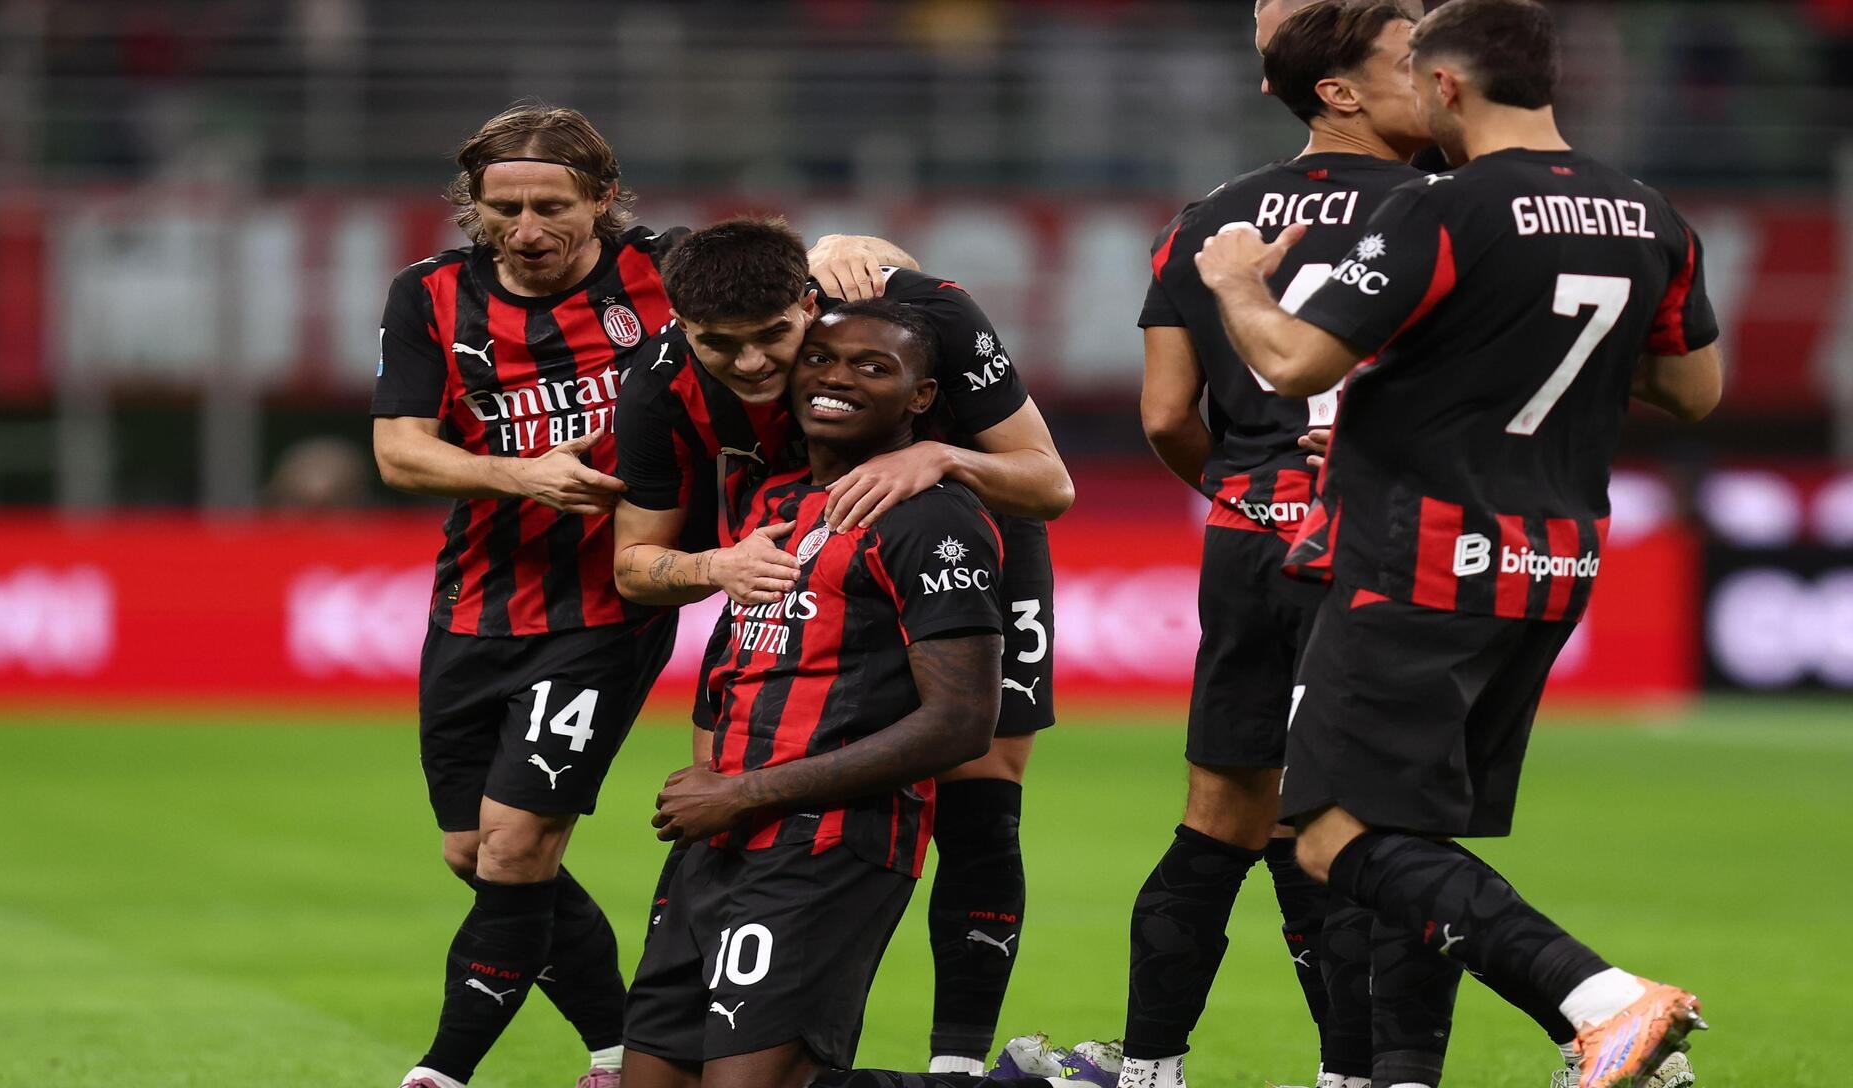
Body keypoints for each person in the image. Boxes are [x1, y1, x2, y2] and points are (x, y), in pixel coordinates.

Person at [1192, 3, 1722, 1087]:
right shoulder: (1649, 214)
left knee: (1333, 833)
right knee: (1414, 834)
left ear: (1444, 89)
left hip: (1417, 560)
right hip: (1552, 565)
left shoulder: (1446, 209)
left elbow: (1291, 362)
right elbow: (1693, 389)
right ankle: (1439, 1064)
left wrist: (1238, 279)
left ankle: (1602, 1000)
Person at [369, 103, 906, 1088]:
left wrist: (852, 241)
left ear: (604, 199)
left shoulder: (662, 274)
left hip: (610, 603)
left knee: (520, 843)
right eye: (503, 210)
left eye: (551, 206)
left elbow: (772, 279)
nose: (526, 230)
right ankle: (626, 1047)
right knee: (473, 851)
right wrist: (521, 473)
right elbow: (398, 448)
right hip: (477, 597)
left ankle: (443, 1069)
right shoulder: (429, 295)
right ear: (473, 209)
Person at [612, 216, 1074, 1075]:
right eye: (722, 345)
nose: (751, 365)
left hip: (961, 521)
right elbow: (633, 567)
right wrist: (714, 563)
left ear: (811, 303)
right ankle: (708, 1007)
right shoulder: (661, 384)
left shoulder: (919, 313)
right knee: (739, 750)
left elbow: (1049, 483)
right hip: (788, 540)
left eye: (774, 339)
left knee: (977, 786)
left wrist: (939, 456)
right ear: (682, 328)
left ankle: (960, 1062)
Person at [1131, 4, 1428, 1087]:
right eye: (1412, 65)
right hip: (1385, 547)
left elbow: (1167, 416)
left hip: (1250, 540)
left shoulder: (1205, 219)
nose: (1436, 80)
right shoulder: (1444, 210)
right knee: (1377, 829)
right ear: (1340, 90)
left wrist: (1254, 495)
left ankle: (1151, 1064)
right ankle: (1359, 1072)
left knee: (1219, 815)